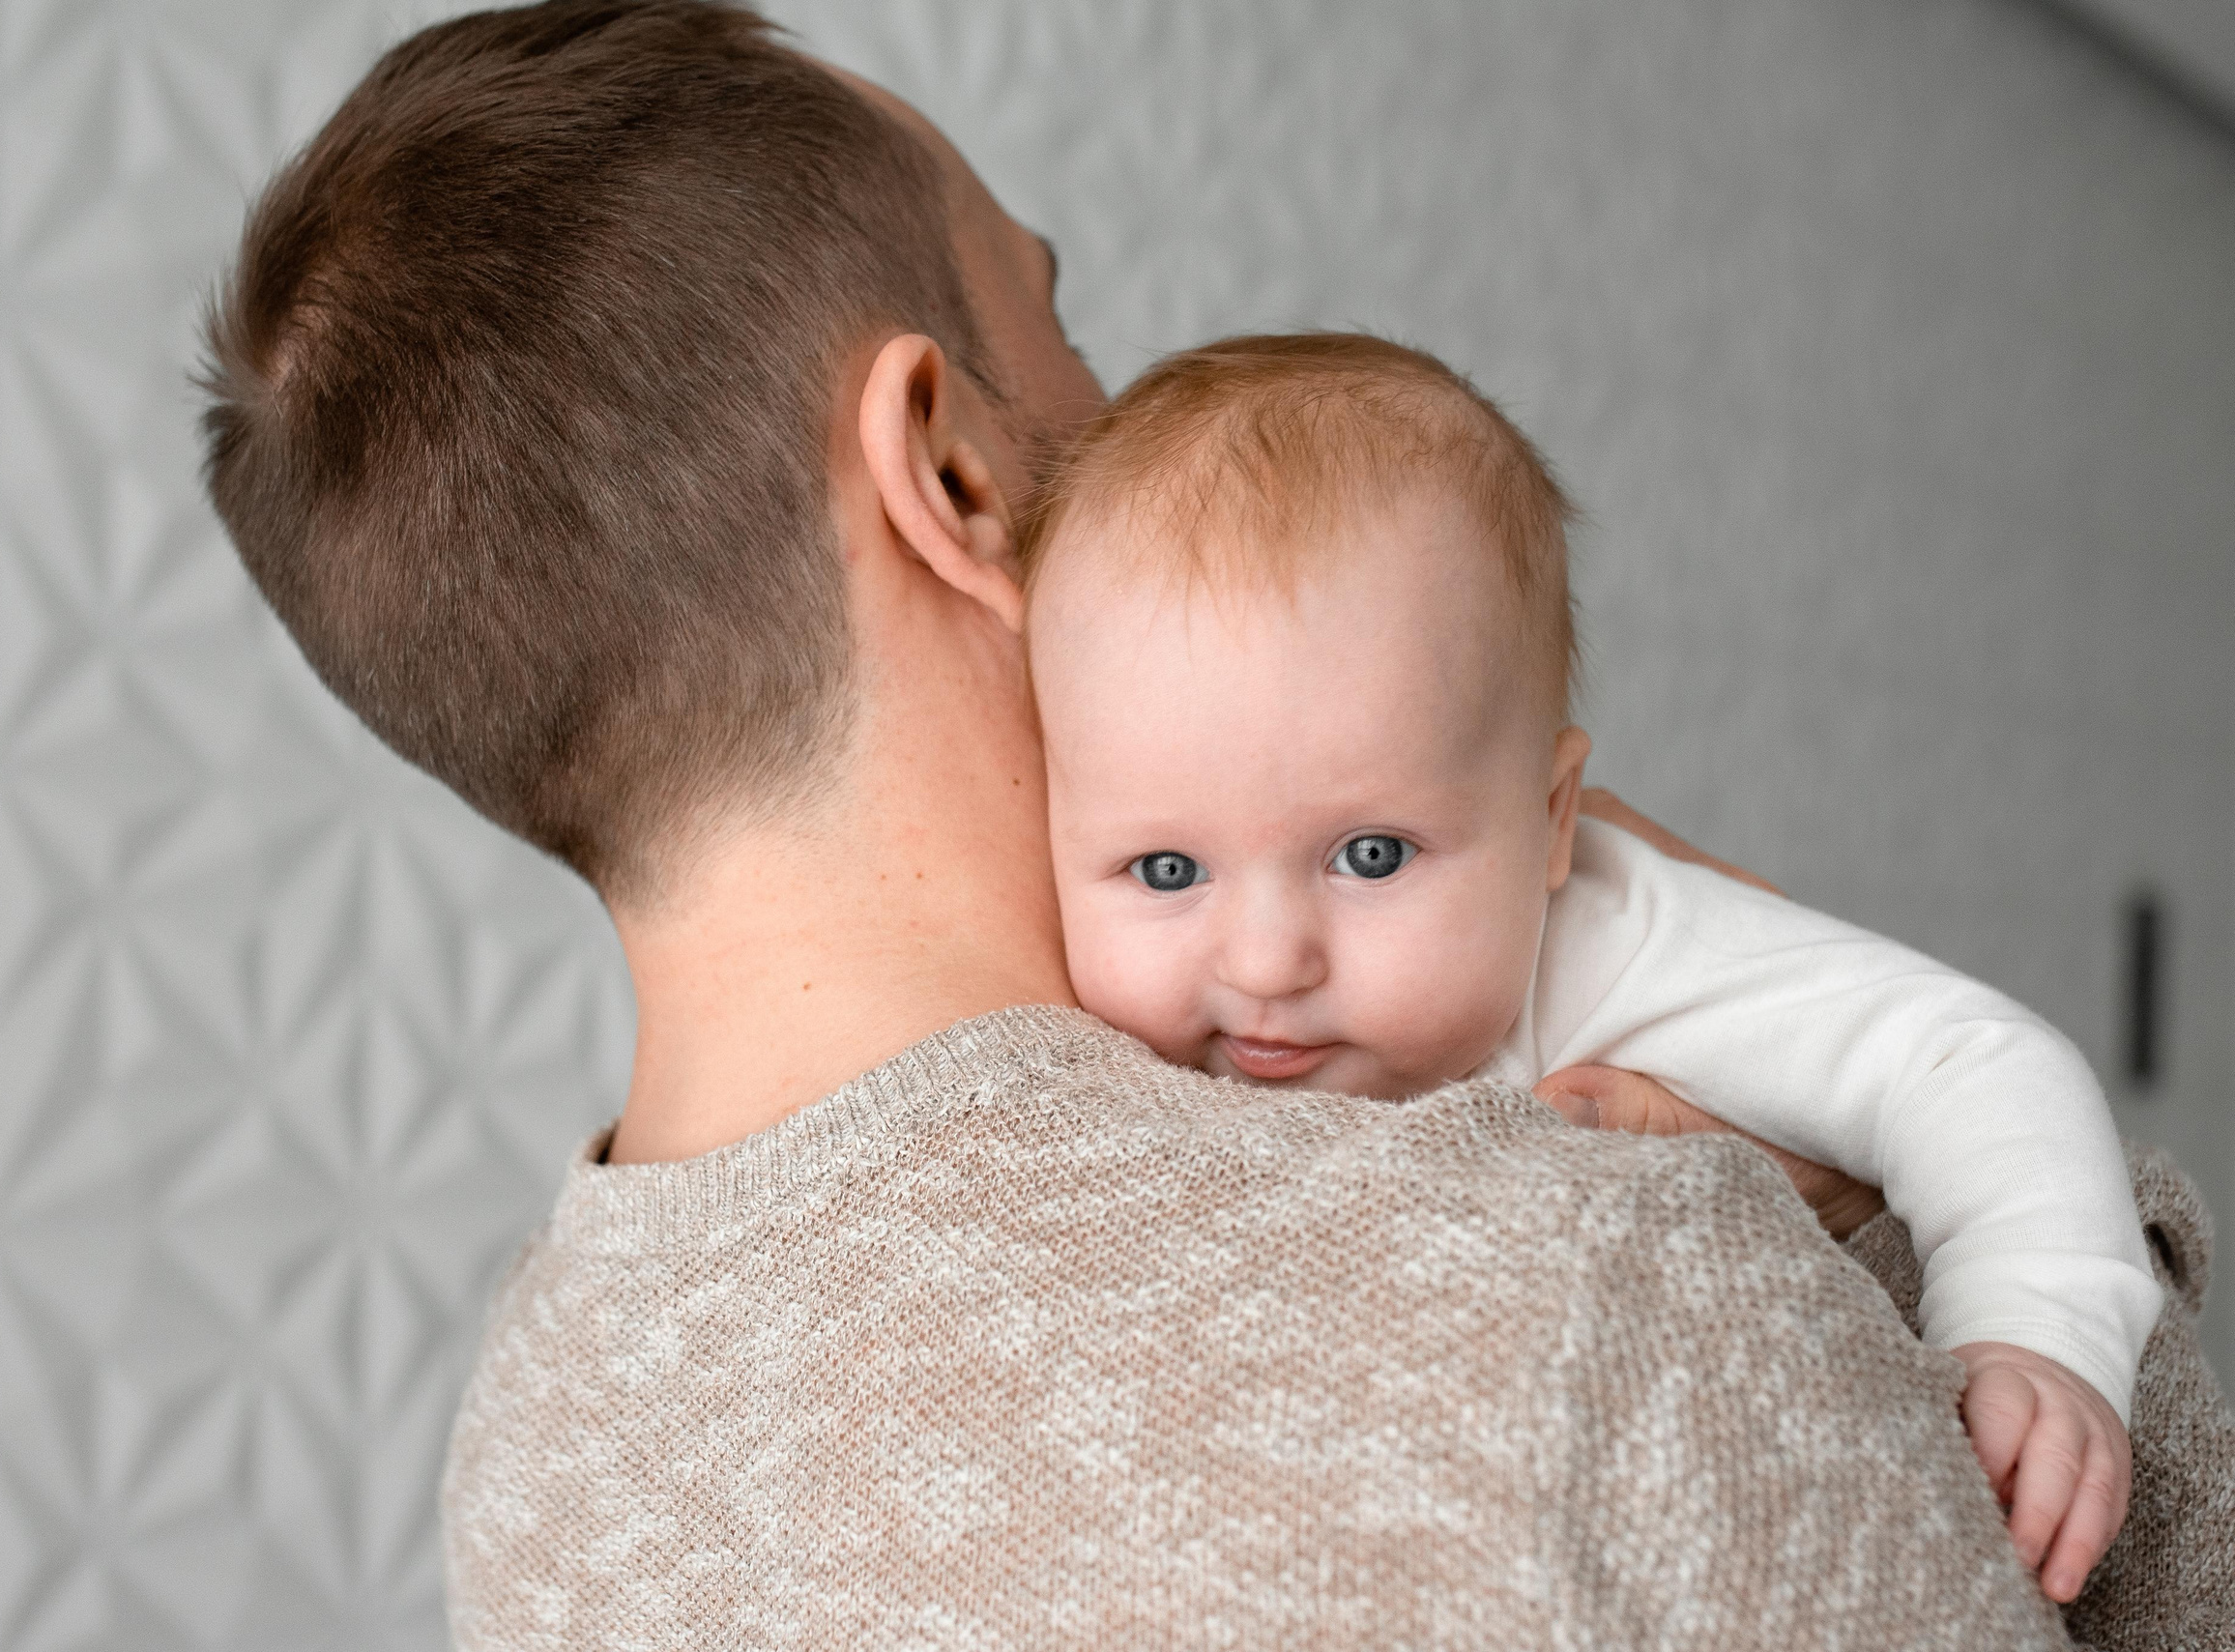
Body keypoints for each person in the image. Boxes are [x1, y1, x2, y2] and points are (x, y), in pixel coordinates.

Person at [192, 2, 2228, 1644]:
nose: (1125, 403)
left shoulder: (531, 1441)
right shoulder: (1603, 1284)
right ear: (948, 475)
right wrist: (1869, 1255)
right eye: (1060, 325)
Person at [1016, 332, 2155, 1604]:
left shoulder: (1616, 946)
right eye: (1168, 869)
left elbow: (1966, 1061)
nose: (1267, 960)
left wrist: (2036, 1336)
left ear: (1551, 819)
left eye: (1372, 854)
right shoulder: (1042, 1049)